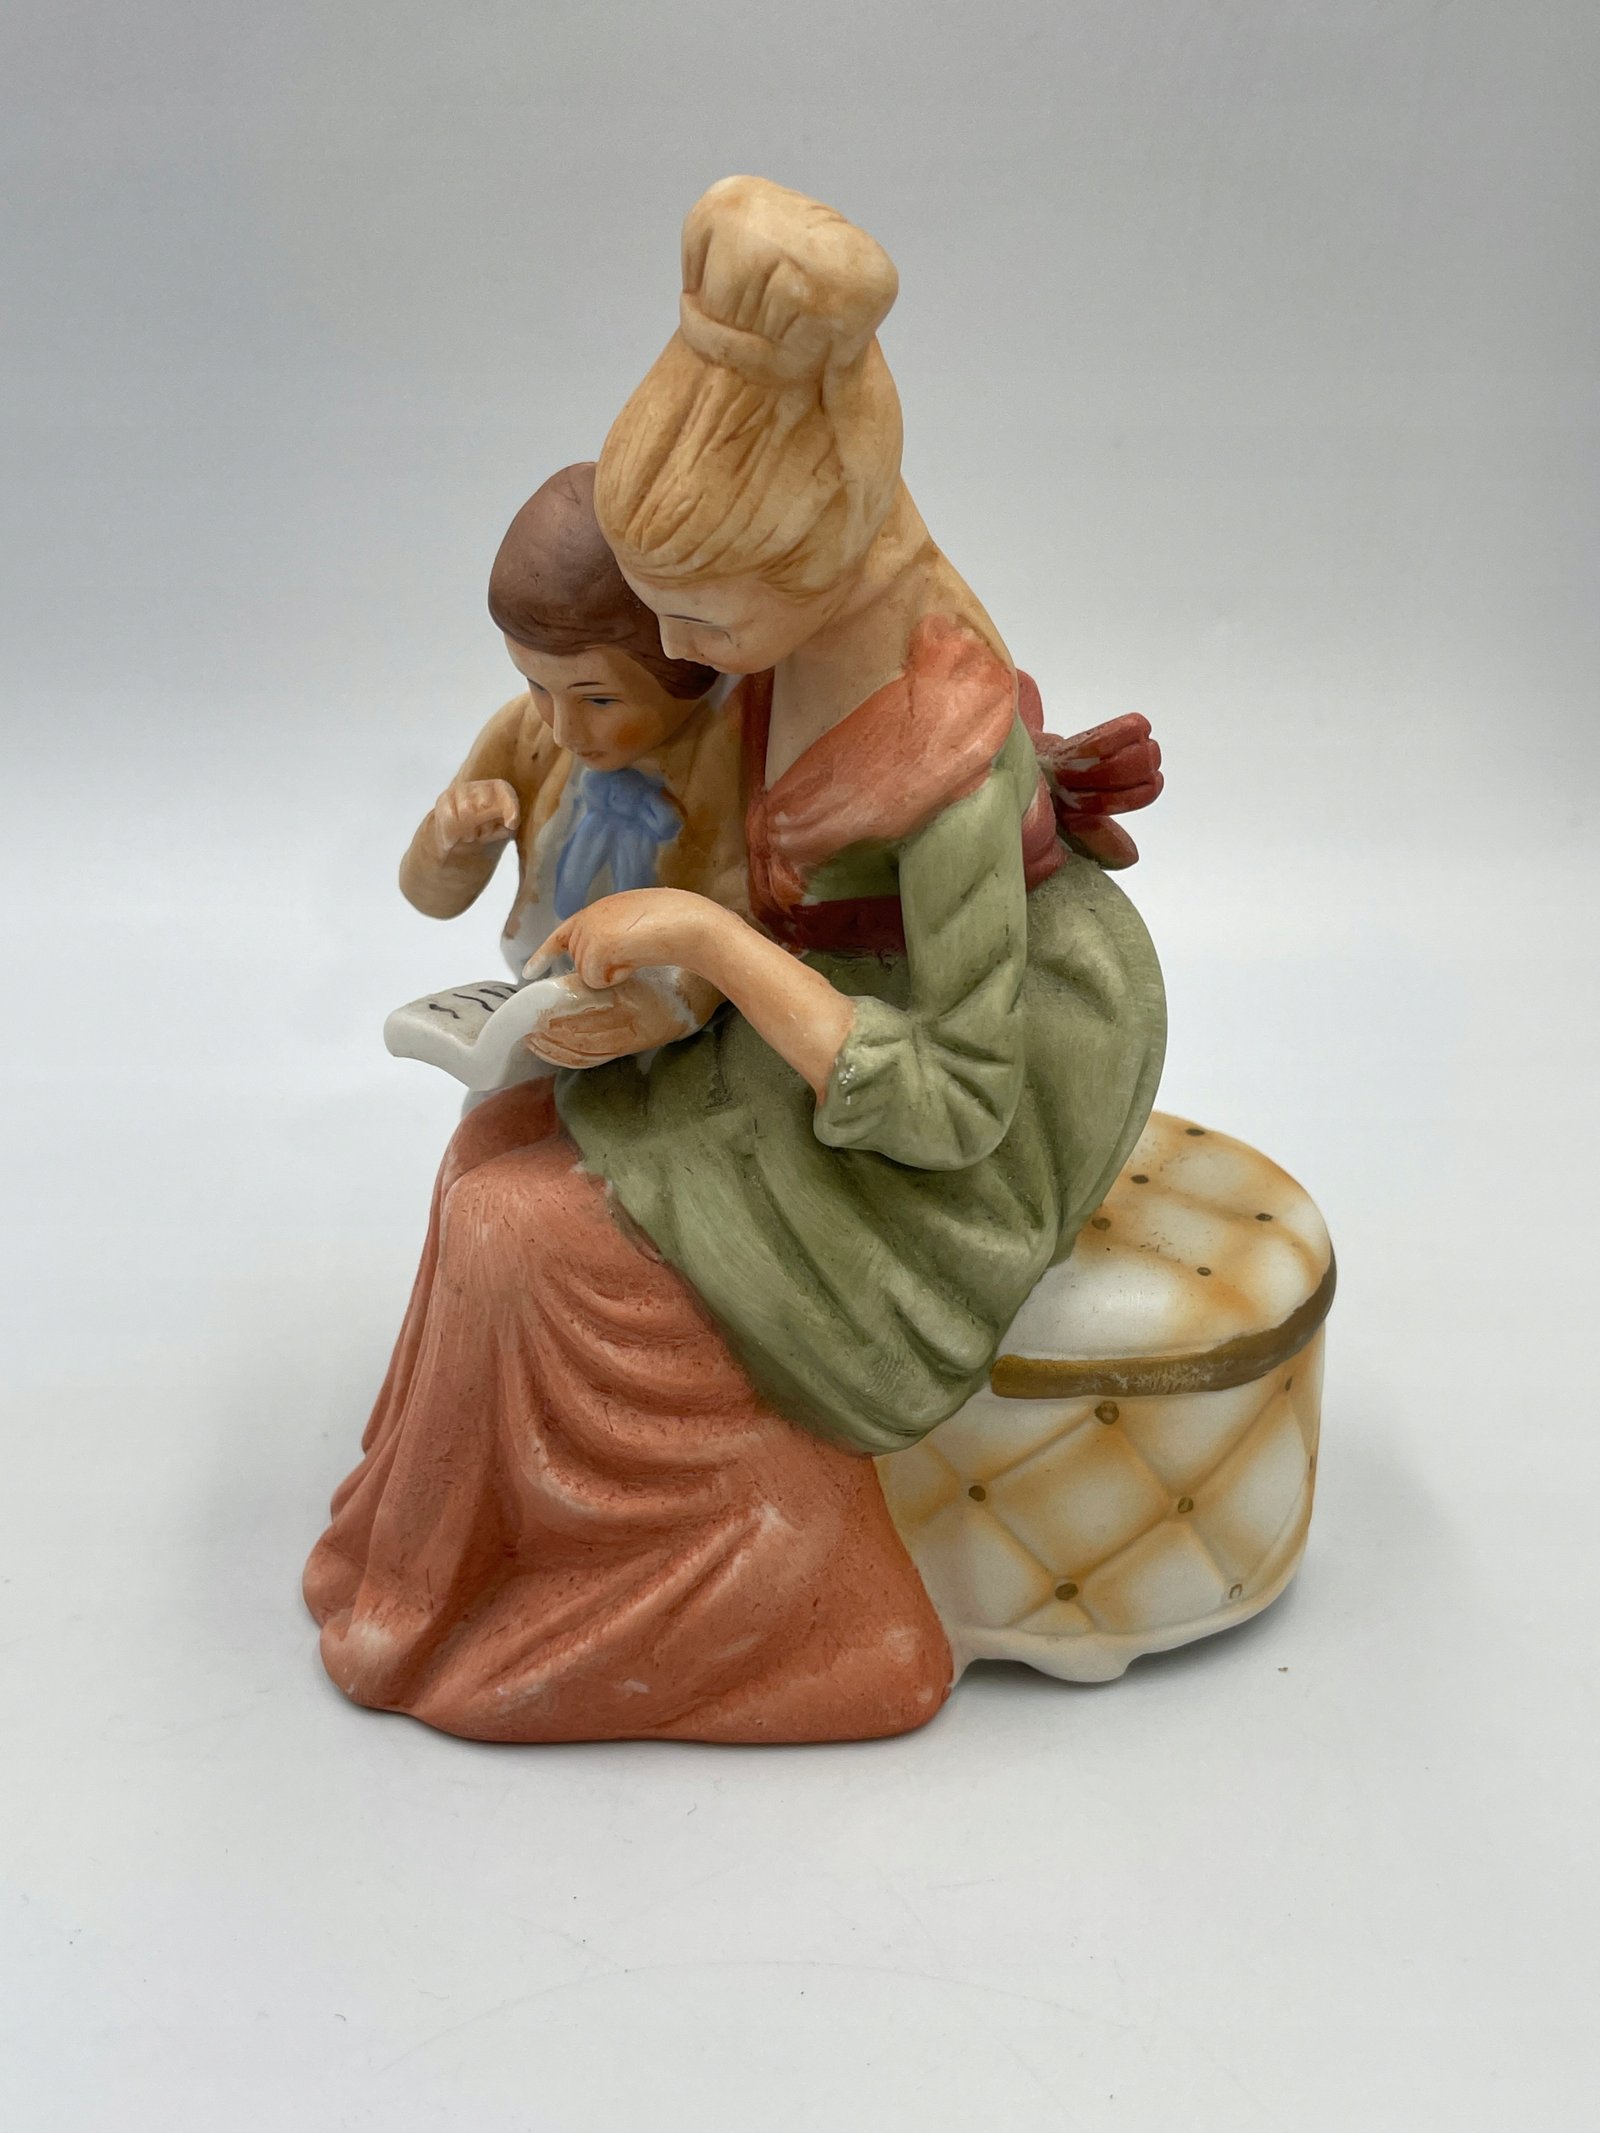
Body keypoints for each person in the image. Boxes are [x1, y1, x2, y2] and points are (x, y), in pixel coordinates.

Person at [304, 178, 1165, 1745]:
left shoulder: (941, 748)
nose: (675, 657)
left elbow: (957, 1104)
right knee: (493, 1144)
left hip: (941, 1108)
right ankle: (447, 1560)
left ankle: (811, 1595)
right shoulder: (771, 648)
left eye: (695, 618)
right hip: (808, 1023)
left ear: (817, 555)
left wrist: (701, 940)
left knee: (523, 1228)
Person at [397, 461, 746, 1064]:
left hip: (697, 1034)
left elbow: (755, 923)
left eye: (600, 700)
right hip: (544, 1009)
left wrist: (673, 1001)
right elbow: (430, 900)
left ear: (688, 662)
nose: (563, 729)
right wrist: (452, 844)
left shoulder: (736, 750)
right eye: (536, 685)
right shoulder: (523, 735)